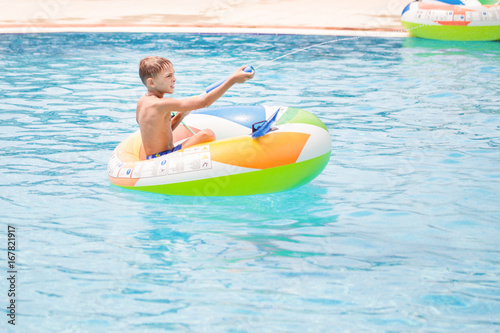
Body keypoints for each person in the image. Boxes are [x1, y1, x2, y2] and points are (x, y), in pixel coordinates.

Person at [136, 56, 254, 160]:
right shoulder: (160, 104)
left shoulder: (143, 101)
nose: (174, 79)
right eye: (168, 76)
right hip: (162, 158)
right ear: (152, 83)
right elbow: (204, 102)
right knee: (207, 134)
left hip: (153, 157)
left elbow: (160, 132)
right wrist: (232, 80)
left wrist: (181, 115)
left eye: (173, 74)